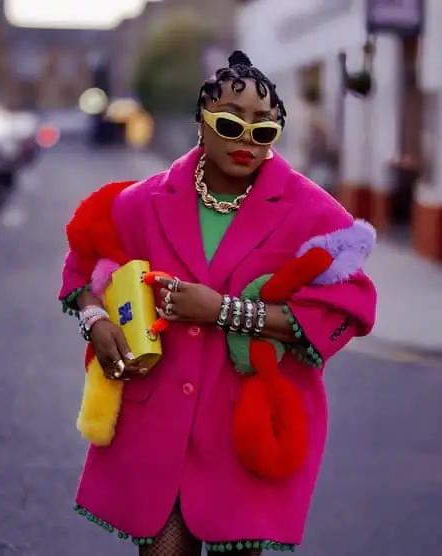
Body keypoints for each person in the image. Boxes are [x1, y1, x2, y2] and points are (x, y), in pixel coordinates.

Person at [59, 51, 377, 555]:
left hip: (247, 434)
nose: (246, 140)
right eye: (230, 123)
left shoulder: (313, 212)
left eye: (263, 129)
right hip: (156, 428)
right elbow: (82, 266)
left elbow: (349, 308)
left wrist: (224, 311)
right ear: (201, 124)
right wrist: (96, 319)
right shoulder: (141, 202)